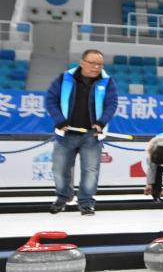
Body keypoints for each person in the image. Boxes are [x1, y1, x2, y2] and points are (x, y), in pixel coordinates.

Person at [44, 49, 119, 216]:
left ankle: (86, 202)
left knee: (90, 170)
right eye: (92, 63)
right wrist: (59, 120)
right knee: (59, 169)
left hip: (92, 135)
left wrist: (101, 122)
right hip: (66, 134)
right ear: (82, 62)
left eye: (99, 64)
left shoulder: (107, 82)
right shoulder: (64, 79)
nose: (96, 67)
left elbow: (111, 104)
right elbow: (51, 100)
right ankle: (63, 197)